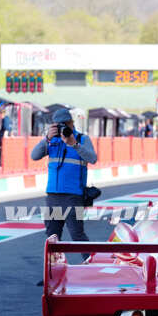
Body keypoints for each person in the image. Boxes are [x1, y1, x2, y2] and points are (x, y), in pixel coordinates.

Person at [31, 108, 97, 269]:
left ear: (71, 123)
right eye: (58, 125)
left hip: (74, 197)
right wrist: (47, 138)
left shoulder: (82, 139)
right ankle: (52, 271)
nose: (62, 127)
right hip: (53, 196)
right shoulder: (52, 141)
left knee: (77, 234)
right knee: (52, 237)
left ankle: (93, 266)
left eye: (64, 124)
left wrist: (74, 144)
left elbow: (93, 158)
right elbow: (34, 155)